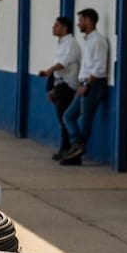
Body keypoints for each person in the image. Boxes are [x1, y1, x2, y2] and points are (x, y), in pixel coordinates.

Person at [59, 8, 109, 165]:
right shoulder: (88, 40)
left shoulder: (98, 41)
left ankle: (76, 152)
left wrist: (87, 84)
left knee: (86, 119)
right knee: (68, 116)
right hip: (84, 84)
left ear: (88, 21)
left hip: (93, 84)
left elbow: (100, 67)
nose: (79, 23)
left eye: (81, 20)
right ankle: (77, 145)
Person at [36, 16, 80, 160]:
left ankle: (69, 148)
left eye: (56, 25)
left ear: (64, 28)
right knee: (61, 119)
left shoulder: (71, 44)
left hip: (68, 87)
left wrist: (49, 71)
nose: (53, 28)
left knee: (65, 119)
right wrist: (50, 88)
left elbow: (63, 63)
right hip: (59, 85)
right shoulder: (61, 44)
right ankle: (64, 148)